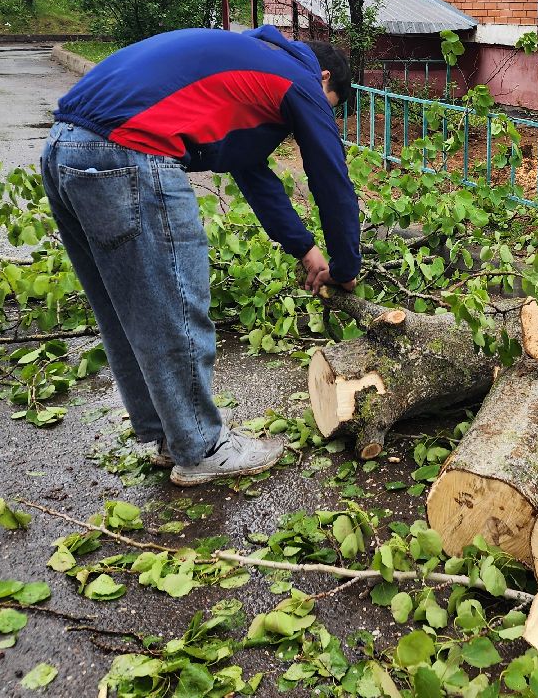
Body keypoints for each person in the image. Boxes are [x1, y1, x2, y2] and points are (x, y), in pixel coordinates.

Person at [40, 25, 361, 486]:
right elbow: (331, 178)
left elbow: (252, 172)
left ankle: (171, 437)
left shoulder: (248, 63)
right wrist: (347, 267)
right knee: (177, 304)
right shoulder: (299, 79)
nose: (311, 121)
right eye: (329, 106)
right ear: (324, 77)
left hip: (64, 148)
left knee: (129, 309)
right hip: (130, 153)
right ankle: (203, 447)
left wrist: (306, 250)